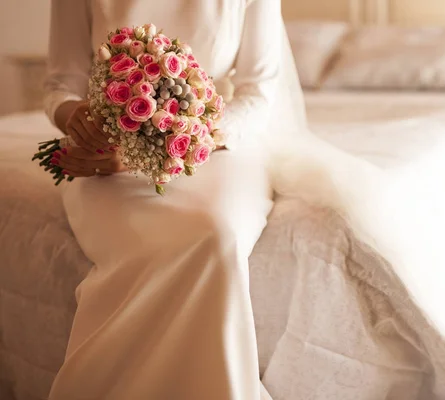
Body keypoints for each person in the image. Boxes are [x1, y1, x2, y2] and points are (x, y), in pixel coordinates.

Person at [44, 0, 290, 398]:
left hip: (216, 145)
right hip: (104, 150)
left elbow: (257, 94)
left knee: (214, 233)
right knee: (147, 239)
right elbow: (61, 86)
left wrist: (168, 139)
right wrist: (80, 120)